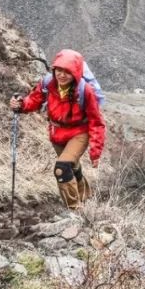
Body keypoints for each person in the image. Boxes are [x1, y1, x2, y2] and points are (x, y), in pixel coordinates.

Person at [10, 49, 105, 211]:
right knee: (72, 167)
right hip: (57, 134)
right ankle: (85, 196)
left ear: (75, 73)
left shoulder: (84, 91)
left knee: (62, 168)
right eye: (58, 70)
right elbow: (34, 100)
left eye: (67, 72)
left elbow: (96, 122)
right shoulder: (48, 83)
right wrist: (20, 105)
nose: (61, 75)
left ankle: (75, 210)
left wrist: (95, 152)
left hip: (79, 133)